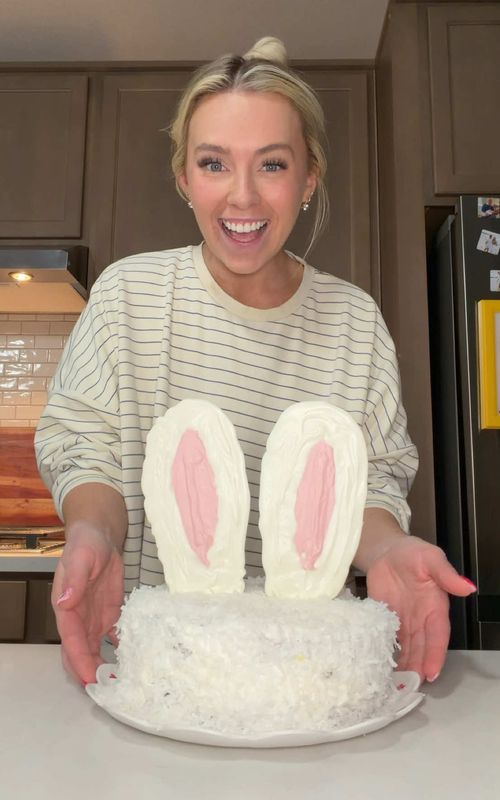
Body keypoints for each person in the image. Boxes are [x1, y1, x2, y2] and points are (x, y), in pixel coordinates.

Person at [35, 36, 476, 688]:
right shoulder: (129, 297)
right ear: (185, 177)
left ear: (308, 178)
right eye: (215, 163)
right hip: (159, 679)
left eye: (271, 165)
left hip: (308, 687)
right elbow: (86, 451)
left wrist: (388, 547)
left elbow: (369, 488)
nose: (242, 196)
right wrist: (93, 534)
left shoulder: (355, 323)